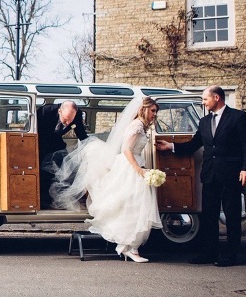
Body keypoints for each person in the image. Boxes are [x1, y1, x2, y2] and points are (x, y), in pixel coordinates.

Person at [50, 96, 163, 262]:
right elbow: (126, 149)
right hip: (131, 167)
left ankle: (129, 246)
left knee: (133, 205)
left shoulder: (141, 126)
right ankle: (128, 246)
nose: (155, 114)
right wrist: (139, 169)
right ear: (143, 109)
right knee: (131, 205)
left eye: (155, 111)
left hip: (135, 166)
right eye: (153, 111)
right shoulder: (137, 125)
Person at [156, 85, 246, 267]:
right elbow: (193, 145)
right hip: (210, 175)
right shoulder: (204, 122)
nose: (203, 102)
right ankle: (209, 253)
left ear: (216, 98)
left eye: (205, 99)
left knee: (232, 216)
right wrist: (170, 146)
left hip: (231, 175)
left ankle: (230, 255)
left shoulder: (238, 117)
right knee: (209, 216)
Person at [37, 101, 89, 208]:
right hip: (41, 145)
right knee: (43, 172)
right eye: (65, 120)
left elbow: (81, 134)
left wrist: (91, 145)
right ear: (59, 111)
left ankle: (58, 199)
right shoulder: (44, 111)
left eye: (71, 120)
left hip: (57, 145)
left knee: (65, 169)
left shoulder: (77, 114)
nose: (68, 123)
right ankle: (43, 201)